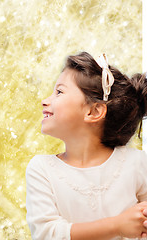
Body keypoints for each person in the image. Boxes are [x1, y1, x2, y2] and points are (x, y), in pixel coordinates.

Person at [26, 51, 147, 240]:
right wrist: (117, 226)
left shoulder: (137, 163)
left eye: (59, 92)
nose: (45, 101)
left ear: (94, 111)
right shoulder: (41, 169)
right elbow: (46, 233)